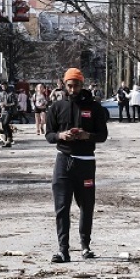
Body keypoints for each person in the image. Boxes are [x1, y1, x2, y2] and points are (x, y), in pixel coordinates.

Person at [45, 67, 109, 263]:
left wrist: (87, 135)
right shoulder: (56, 107)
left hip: (86, 163)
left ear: (82, 84)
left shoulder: (94, 108)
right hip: (63, 162)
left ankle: (85, 246)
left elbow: (103, 135)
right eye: (70, 86)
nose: (73, 90)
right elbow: (49, 135)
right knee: (62, 207)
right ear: (65, 85)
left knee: (86, 206)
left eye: (77, 85)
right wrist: (61, 135)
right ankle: (63, 250)